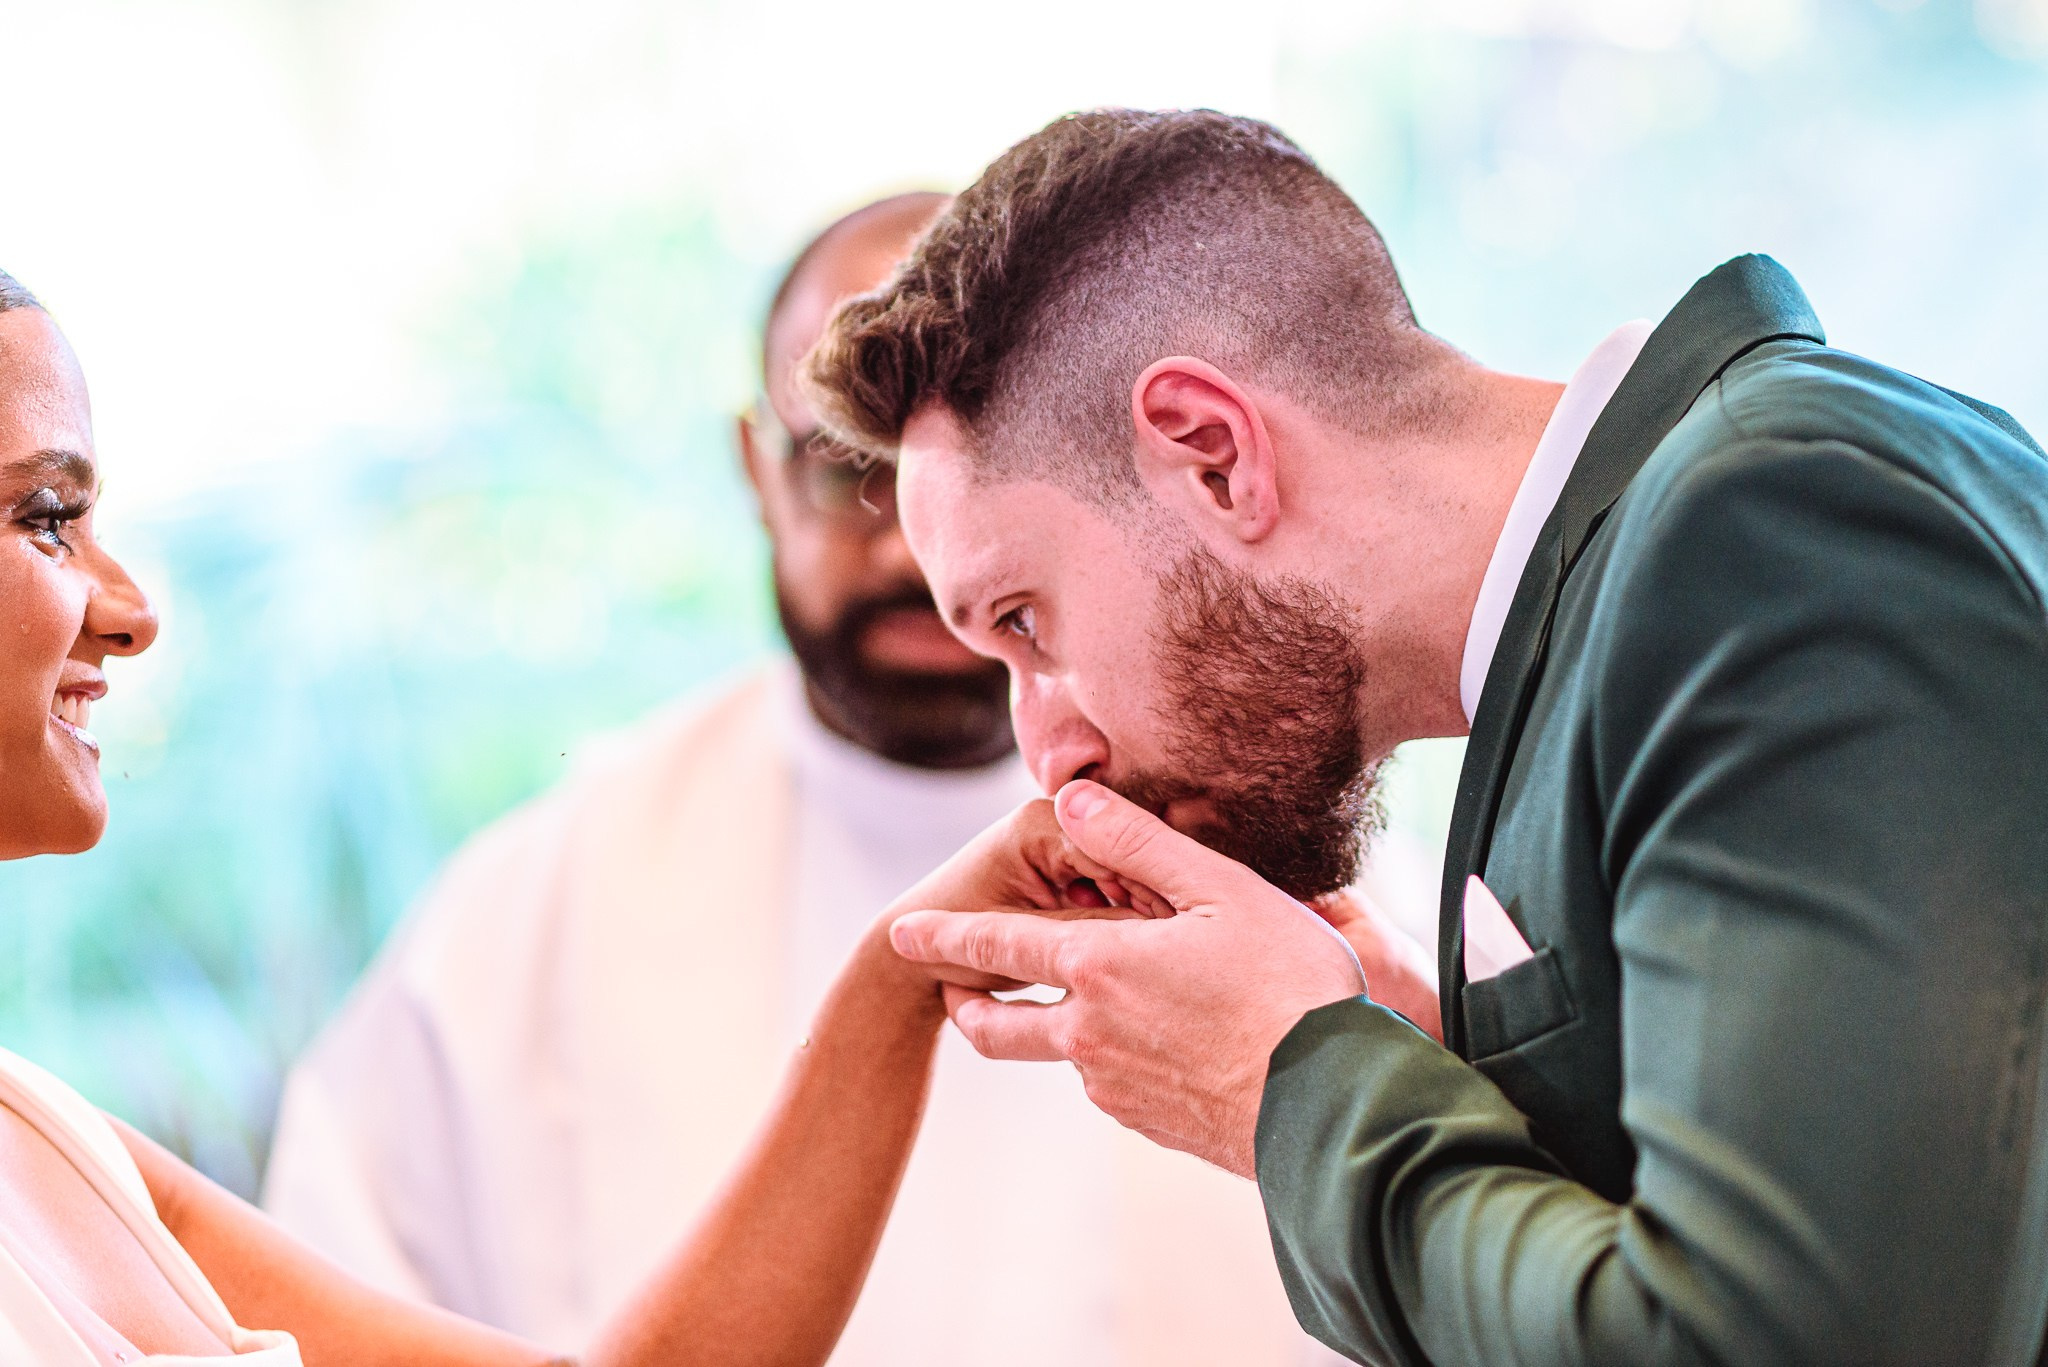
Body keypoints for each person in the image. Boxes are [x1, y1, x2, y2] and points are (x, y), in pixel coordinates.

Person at [800, 109, 2048, 1367]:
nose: (1047, 752)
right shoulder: (1654, 592)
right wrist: (1451, 1068)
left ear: (1211, 454)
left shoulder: (1775, 532)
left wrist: (1289, 1083)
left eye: (1028, 623)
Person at [263, 193, 1401, 1363]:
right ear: (754, 465)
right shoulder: (527, 914)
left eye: (977, 476)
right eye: (839, 468)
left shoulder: (1290, 873)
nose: (908, 543)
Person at [0, 265, 1138, 1363]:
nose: (134, 610)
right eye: (48, 516)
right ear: (757, 462)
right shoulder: (546, 885)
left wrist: (894, 984)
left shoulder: (50, 1143)